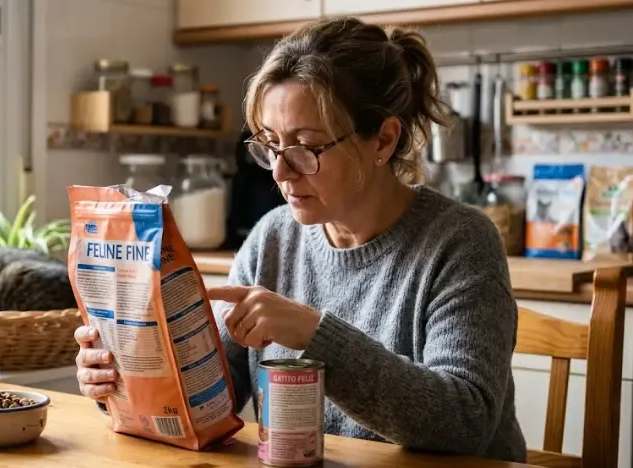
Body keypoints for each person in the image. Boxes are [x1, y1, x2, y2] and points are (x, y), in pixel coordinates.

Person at [73, 16, 527, 463]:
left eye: (306, 147)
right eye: (270, 144)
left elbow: (467, 420)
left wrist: (314, 334)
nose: (279, 171)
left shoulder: (460, 242)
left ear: (384, 141)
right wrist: (129, 377)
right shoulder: (272, 238)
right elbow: (213, 399)